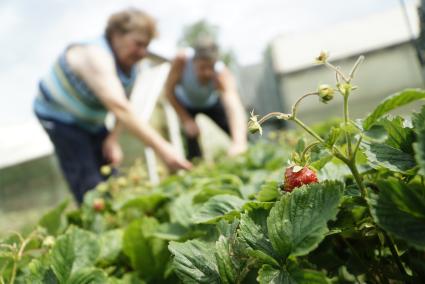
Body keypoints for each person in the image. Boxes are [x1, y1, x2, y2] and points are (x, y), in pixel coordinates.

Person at [33, 8, 192, 204]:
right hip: (60, 118)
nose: (143, 52)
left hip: (93, 121)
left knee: (111, 176)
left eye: (147, 46)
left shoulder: (130, 68)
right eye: (138, 44)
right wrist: (164, 150)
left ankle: (116, 219)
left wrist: (113, 139)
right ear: (117, 35)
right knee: (89, 184)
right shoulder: (95, 56)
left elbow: (125, 103)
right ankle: (95, 220)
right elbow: (119, 107)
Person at [164, 39, 248, 160]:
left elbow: (234, 105)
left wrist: (239, 143)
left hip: (211, 103)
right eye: (202, 67)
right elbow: (168, 92)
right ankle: (195, 166)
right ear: (193, 62)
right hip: (186, 105)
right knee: (192, 139)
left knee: (239, 134)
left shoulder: (221, 73)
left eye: (211, 67)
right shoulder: (181, 61)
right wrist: (186, 119)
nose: (207, 73)